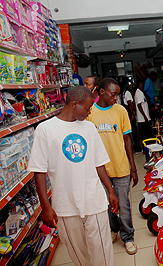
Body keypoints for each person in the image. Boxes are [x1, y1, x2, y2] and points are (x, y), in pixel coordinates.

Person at [27, 86, 118, 266]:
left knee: (103, 252)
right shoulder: (45, 130)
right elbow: (39, 170)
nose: (89, 112)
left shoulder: (89, 128)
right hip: (65, 205)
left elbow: (99, 164)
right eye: (87, 107)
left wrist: (110, 190)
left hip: (94, 200)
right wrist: (45, 206)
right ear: (74, 104)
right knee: (78, 254)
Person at [86, 78, 138, 255]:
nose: (116, 98)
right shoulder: (89, 112)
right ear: (101, 92)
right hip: (100, 171)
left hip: (121, 167)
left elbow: (127, 140)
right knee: (107, 205)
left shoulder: (120, 110)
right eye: (113, 94)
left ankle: (128, 237)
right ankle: (114, 227)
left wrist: (133, 167)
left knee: (124, 205)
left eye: (117, 94)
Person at [122, 85, 142, 154]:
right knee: (134, 132)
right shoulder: (128, 93)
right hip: (130, 115)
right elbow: (130, 103)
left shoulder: (123, 93)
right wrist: (132, 114)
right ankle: (137, 149)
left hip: (127, 115)